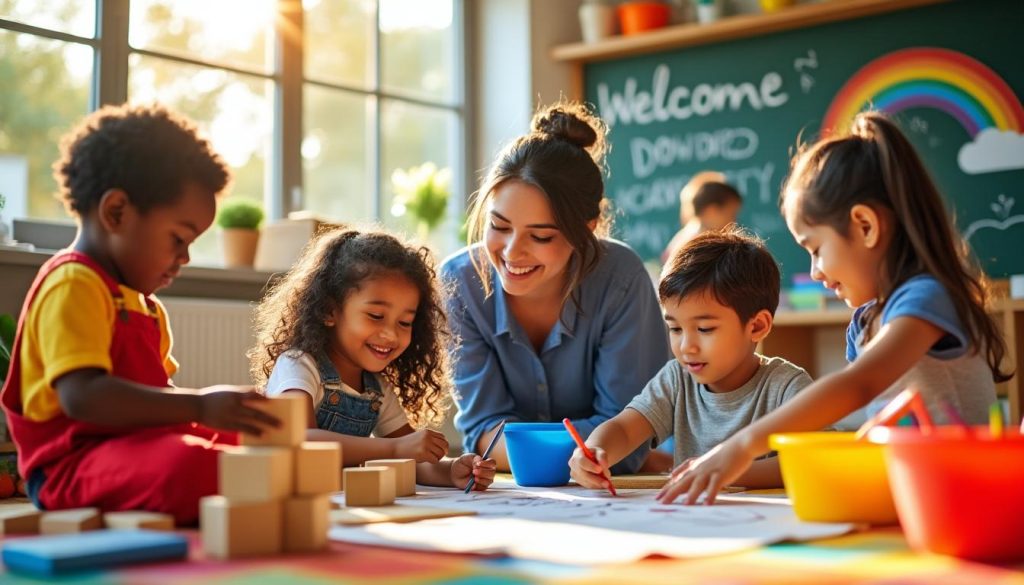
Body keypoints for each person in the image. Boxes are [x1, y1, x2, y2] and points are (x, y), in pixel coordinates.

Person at [658, 112, 1011, 505]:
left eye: (815, 249)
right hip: (915, 498)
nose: (815, 272)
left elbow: (858, 385)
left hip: (962, 499)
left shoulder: (926, 299)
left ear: (865, 226)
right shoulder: (866, 323)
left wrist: (741, 446)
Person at [0, 104, 279, 525]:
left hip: (135, 447)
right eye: (178, 239)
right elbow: (83, 397)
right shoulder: (73, 283)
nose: (185, 258)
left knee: (256, 440)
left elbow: (159, 399)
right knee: (193, 465)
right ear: (116, 212)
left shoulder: (146, 306)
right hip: (70, 465)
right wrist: (200, 405)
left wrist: (223, 417)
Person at [441, 101, 672, 474]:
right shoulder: (459, 283)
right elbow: (483, 433)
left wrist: (520, 447)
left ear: (586, 230)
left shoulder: (621, 278)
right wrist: (597, 450)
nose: (512, 252)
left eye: (541, 236)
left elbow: (631, 434)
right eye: (499, 226)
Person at [251, 228, 496, 491]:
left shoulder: (377, 389)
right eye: (376, 316)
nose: (391, 334)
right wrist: (394, 448)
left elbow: (412, 461)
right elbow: (301, 441)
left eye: (405, 322)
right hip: (286, 499)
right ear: (329, 310)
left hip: (338, 502)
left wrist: (451, 470)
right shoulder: (298, 365)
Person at [570, 228, 812, 490]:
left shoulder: (787, 387)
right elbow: (625, 429)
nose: (686, 346)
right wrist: (595, 451)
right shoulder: (677, 379)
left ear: (757, 326)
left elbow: (812, 460)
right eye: (675, 329)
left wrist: (727, 471)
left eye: (705, 329)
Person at [661, 173, 743, 264]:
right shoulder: (697, 245)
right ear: (711, 211)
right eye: (731, 214)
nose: (734, 221)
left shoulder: (687, 236)